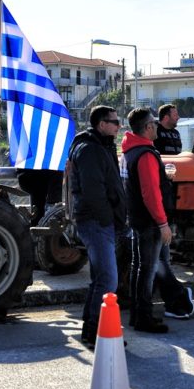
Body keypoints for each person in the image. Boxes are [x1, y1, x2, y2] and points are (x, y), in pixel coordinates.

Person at [67, 105, 126, 346]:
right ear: (102, 124)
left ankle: (93, 331)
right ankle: (96, 333)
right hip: (96, 222)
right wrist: (107, 218)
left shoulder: (101, 146)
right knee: (107, 280)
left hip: (99, 221)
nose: (118, 125)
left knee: (101, 278)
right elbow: (94, 191)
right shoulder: (91, 149)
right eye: (114, 122)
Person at [120, 108, 174, 333]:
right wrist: (163, 224)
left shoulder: (128, 152)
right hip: (149, 221)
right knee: (147, 269)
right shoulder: (146, 155)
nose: (157, 126)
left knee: (138, 268)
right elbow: (150, 193)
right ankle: (144, 317)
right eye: (154, 122)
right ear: (148, 127)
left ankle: (137, 314)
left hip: (136, 218)